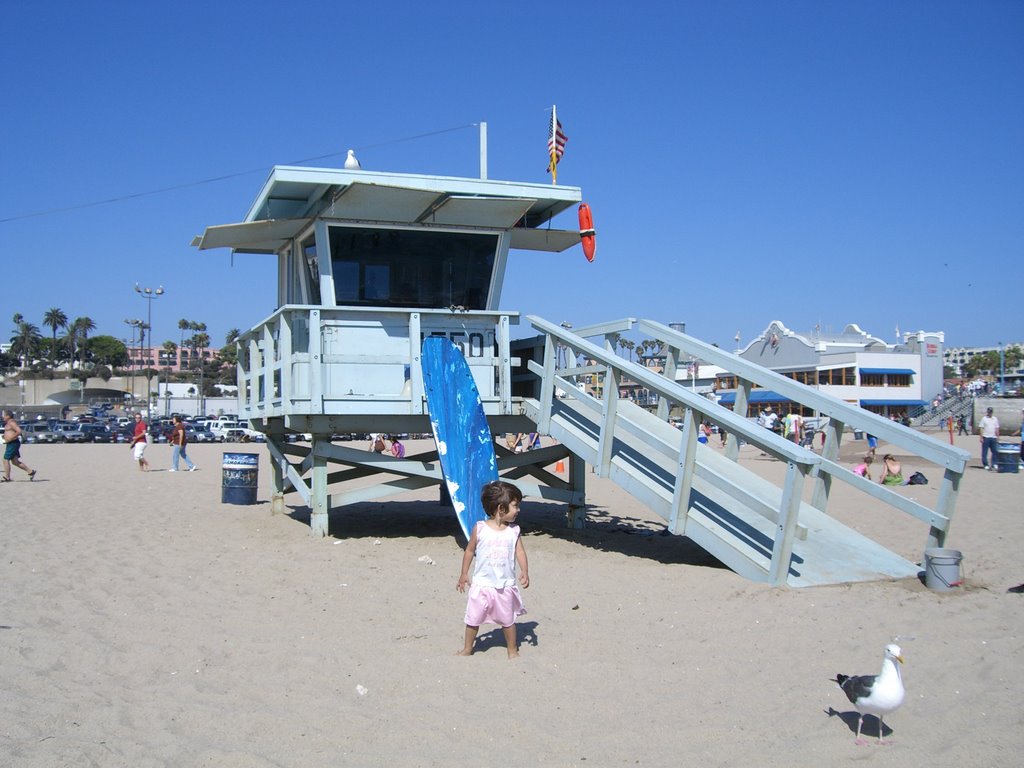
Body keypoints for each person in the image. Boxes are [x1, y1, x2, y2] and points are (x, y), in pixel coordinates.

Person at [456, 480, 530, 659]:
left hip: (504, 584)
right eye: (515, 506)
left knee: (508, 620)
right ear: (500, 509)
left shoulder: (514, 531)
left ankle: (512, 650)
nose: (518, 510)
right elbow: (470, 550)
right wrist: (464, 573)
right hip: (482, 584)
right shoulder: (480, 528)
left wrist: (524, 571)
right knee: (473, 619)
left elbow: (520, 551)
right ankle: (467, 648)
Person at [2, 409, 36, 482]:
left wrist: (11, 438)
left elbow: (19, 431)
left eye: (4, 415)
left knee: (5, 460)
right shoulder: (8, 423)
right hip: (10, 443)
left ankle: (7, 477)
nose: (3, 417)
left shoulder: (12, 422)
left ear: (8, 416)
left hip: (13, 443)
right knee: (15, 462)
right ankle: (31, 472)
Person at [979, 407, 1000, 471]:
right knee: (985, 452)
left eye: (991, 412)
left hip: (993, 437)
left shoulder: (995, 419)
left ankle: (994, 463)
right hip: (986, 437)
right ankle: (985, 464)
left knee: (995, 451)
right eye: (989, 412)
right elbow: (981, 428)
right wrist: (981, 437)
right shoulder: (984, 419)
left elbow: (997, 428)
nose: (990, 413)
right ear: (987, 412)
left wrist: (998, 436)